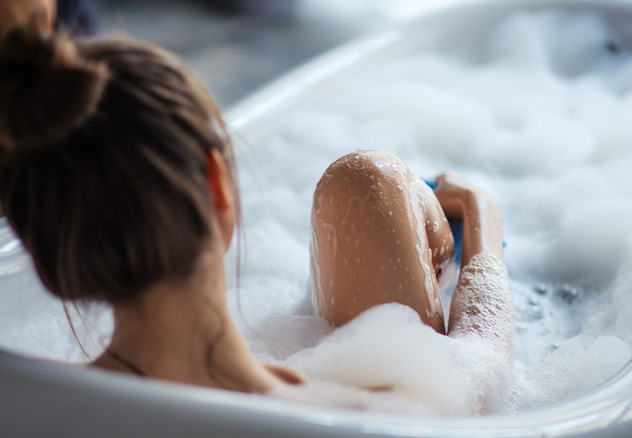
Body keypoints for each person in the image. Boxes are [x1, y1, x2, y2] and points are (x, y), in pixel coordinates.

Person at [0, 14, 513, 407]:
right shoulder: (354, 412)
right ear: (216, 182)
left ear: (44, 255)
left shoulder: (26, 402)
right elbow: (476, 383)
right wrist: (479, 210)